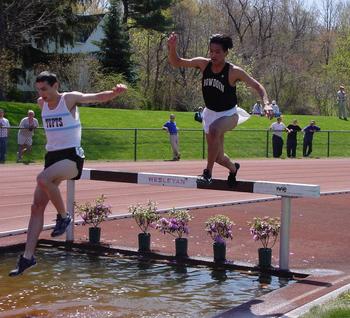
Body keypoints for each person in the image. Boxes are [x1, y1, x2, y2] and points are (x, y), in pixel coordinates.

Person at [9, 71, 127, 276]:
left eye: (45, 89)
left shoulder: (69, 99)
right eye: (38, 90)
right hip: (52, 158)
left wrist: (114, 93)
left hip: (72, 157)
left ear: (56, 85)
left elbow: (96, 97)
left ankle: (64, 217)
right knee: (36, 207)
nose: (41, 94)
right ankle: (27, 258)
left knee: (42, 179)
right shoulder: (41, 103)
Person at [167, 32, 270, 185]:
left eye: (218, 52)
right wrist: (172, 48)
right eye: (211, 51)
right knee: (217, 156)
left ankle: (207, 173)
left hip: (229, 114)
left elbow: (258, 86)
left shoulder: (233, 71)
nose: (213, 55)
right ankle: (233, 168)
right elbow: (177, 62)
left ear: (226, 53)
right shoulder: (203, 64)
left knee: (215, 131)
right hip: (210, 114)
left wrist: (266, 103)